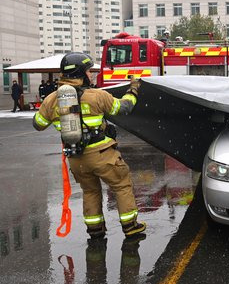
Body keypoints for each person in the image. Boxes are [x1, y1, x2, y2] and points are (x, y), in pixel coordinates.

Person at [32, 52, 146, 239]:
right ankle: (130, 226)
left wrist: (52, 109)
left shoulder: (52, 100)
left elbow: (38, 124)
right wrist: (134, 88)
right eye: (88, 71)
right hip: (102, 155)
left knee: (90, 191)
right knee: (122, 185)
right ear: (81, 73)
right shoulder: (98, 96)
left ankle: (95, 230)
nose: (91, 75)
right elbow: (124, 108)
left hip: (76, 158)